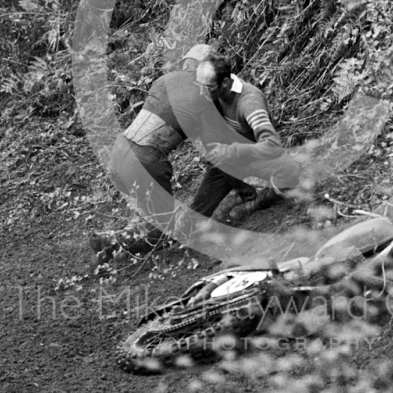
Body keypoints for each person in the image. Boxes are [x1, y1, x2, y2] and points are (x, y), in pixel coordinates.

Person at [92, 44, 231, 261]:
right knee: (167, 231)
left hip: (119, 152)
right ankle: (110, 243)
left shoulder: (163, 81)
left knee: (154, 217)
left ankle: (117, 242)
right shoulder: (203, 94)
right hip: (145, 160)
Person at [190, 54, 300, 219]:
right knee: (196, 213)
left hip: (254, 155)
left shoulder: (249, 102)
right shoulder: (211, 97)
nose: (201, 91)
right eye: (198, 85)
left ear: (225, 83)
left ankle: (257, 202)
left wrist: (233, 151)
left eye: (207, 87)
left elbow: (272, 145)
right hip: (227, 160)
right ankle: (246, 193)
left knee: (289, 171)